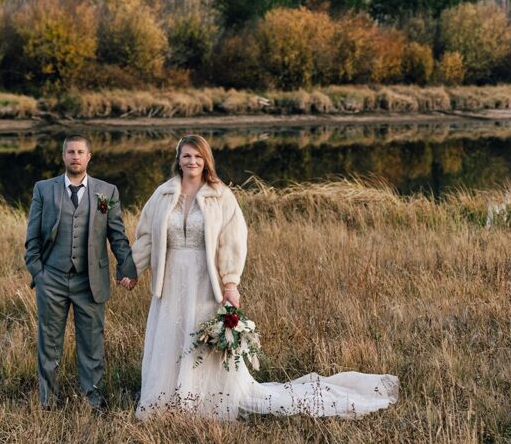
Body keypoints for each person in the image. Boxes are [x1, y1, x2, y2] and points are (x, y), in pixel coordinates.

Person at [128, 134, 398, 420]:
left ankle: (204, 402)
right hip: (170, 280)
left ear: (206, 160)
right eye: (186, 156)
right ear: (178, 160)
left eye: (198, 156)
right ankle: (167, 401)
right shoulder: (163, 194)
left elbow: (234, 240)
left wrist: (231, 282)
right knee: (171, 335)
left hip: (206, 281)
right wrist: (132, 270)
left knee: (199, 336)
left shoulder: (220, 194)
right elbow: (146, 236)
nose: (192, 161)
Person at [24, 135, 137, 409]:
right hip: (52, 278)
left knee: (92, 345)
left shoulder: (106, 192)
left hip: (90, 281)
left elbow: (117, 236)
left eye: (80, 152)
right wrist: (39, 273)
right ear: (63, 156)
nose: (75, 156)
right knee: (49, 344)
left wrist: (127, 267)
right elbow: (32, 238)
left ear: (89, 156)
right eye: (71, 152)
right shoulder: (44, 189)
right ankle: (47, 402)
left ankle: (92, 401)